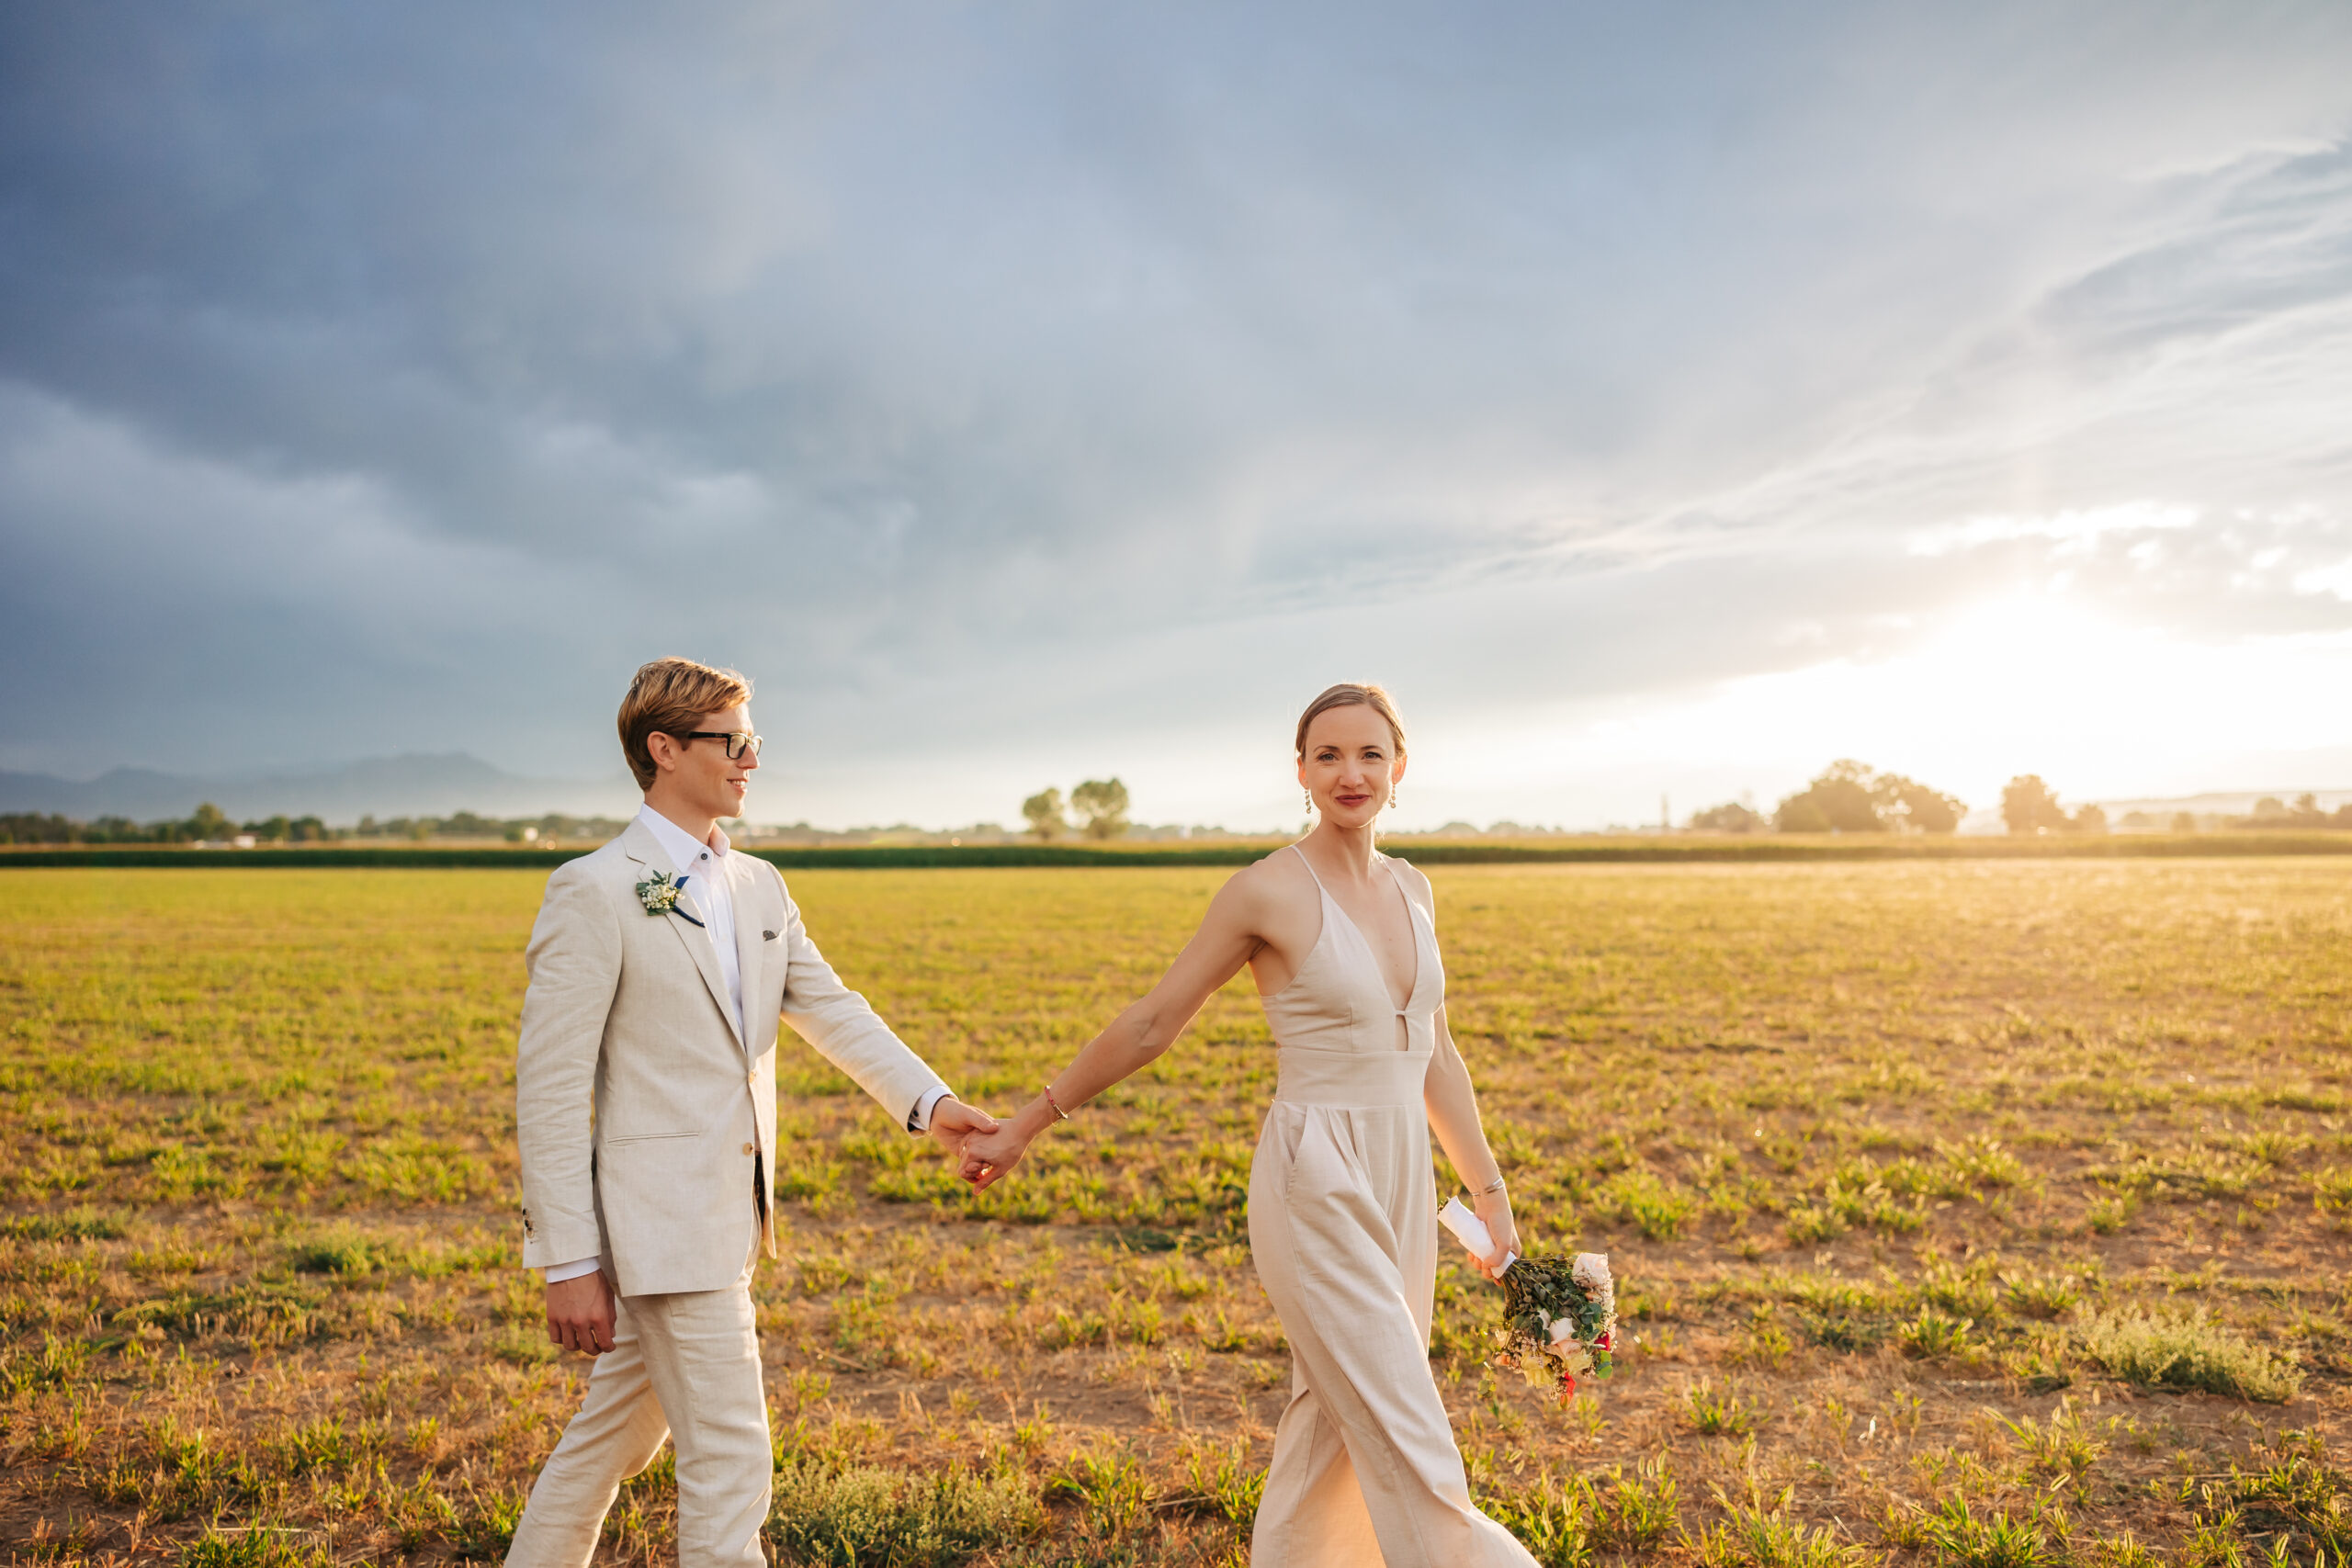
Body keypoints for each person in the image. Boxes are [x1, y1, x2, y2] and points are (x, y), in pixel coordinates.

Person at [958, 682, 1536, 1568]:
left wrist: (1488, 1193)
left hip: (1402, 1174)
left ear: (1400, 768)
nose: (1352, 772)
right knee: (1403, 1418)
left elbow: (1438, 1055)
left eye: (1370, 753)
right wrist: (1029, 1122)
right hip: (1316, 1173)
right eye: (1329, 755)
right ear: (1301, 771)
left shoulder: (1415, 887)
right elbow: (1154, 1022)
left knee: (1337, 1417)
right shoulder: (1265, 890)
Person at [505, 657, 997, 1568]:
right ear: (664, 750)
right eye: (732, 742)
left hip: (730, 1215)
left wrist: (933, 1107)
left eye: (752, 741)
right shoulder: (596, 889)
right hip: (659, 1221)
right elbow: (548, 1085)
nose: (751, 760)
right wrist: (567, 1259)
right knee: (732, 1457)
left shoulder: (758, 885)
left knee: (612, 1442)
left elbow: (831, 1008)